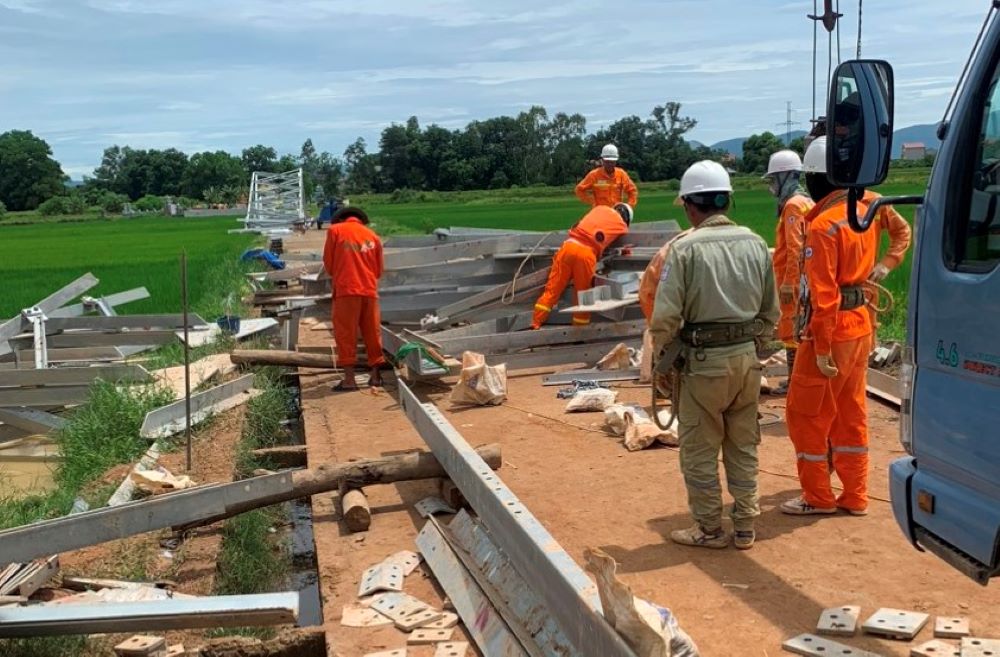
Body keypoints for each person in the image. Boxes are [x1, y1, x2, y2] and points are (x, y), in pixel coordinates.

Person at [650, 161, 779, 550]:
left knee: (699, 450)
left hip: (703, 365)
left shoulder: (684, 249)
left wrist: (663, 365)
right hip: (746, 362)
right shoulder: (756, 243)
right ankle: (745, 526)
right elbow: (770, 313)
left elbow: (665, 318)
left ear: (690, 206)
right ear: (727, 201)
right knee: (743, 444)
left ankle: (708, 528)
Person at [781, 137, 879, 516]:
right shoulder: (866, 209)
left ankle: (817, 497)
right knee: (850, 412)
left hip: (832, 332)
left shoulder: (822, 226)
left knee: (806, 415)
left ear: (817, 179)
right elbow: (901, 231)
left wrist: (819, 350)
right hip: (859, 326)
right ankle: (855, 495)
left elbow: (823, 297)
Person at [531, 203, 633, 329]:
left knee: (552, 289)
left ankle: (535, 322)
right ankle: (579, 331)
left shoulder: (599, 208)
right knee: (582, 296)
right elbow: (621, 243)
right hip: (585, 254)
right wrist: (625, 251)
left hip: (568, 247)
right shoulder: (622, 226)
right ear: (626, 219)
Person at [763, 150, 814, 393]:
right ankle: (796, 379)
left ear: (785, 177)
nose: (771, 186)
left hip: (793, 280)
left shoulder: (793, 206)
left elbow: (796, 247)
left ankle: (795, 381)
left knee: (792, 330)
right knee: (798, 329)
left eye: (774, 180)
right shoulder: (805, 201)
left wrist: (788, 283)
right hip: (803, 279)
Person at [321, 206, 386, 390]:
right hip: (369, 291)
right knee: (372, 332)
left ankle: (350, 380)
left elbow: (329, 264)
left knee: (346, 333)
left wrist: (342, 274)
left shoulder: (335, 231)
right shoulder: (373, 236)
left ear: (341, 219)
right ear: (360, 220)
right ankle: (375, 377)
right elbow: (379, 271)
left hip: (347, 290)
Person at [575, 144, 639, 208]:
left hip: (616, 212)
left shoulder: (621, 174)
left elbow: (632, 190)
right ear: (602, 160)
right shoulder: (594, 175)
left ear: (616, 161)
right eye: (607, 161)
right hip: (600, 213)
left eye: (612, 162)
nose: (610, 164)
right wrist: (592, 201)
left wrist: (628, 206)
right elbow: (579, 189)